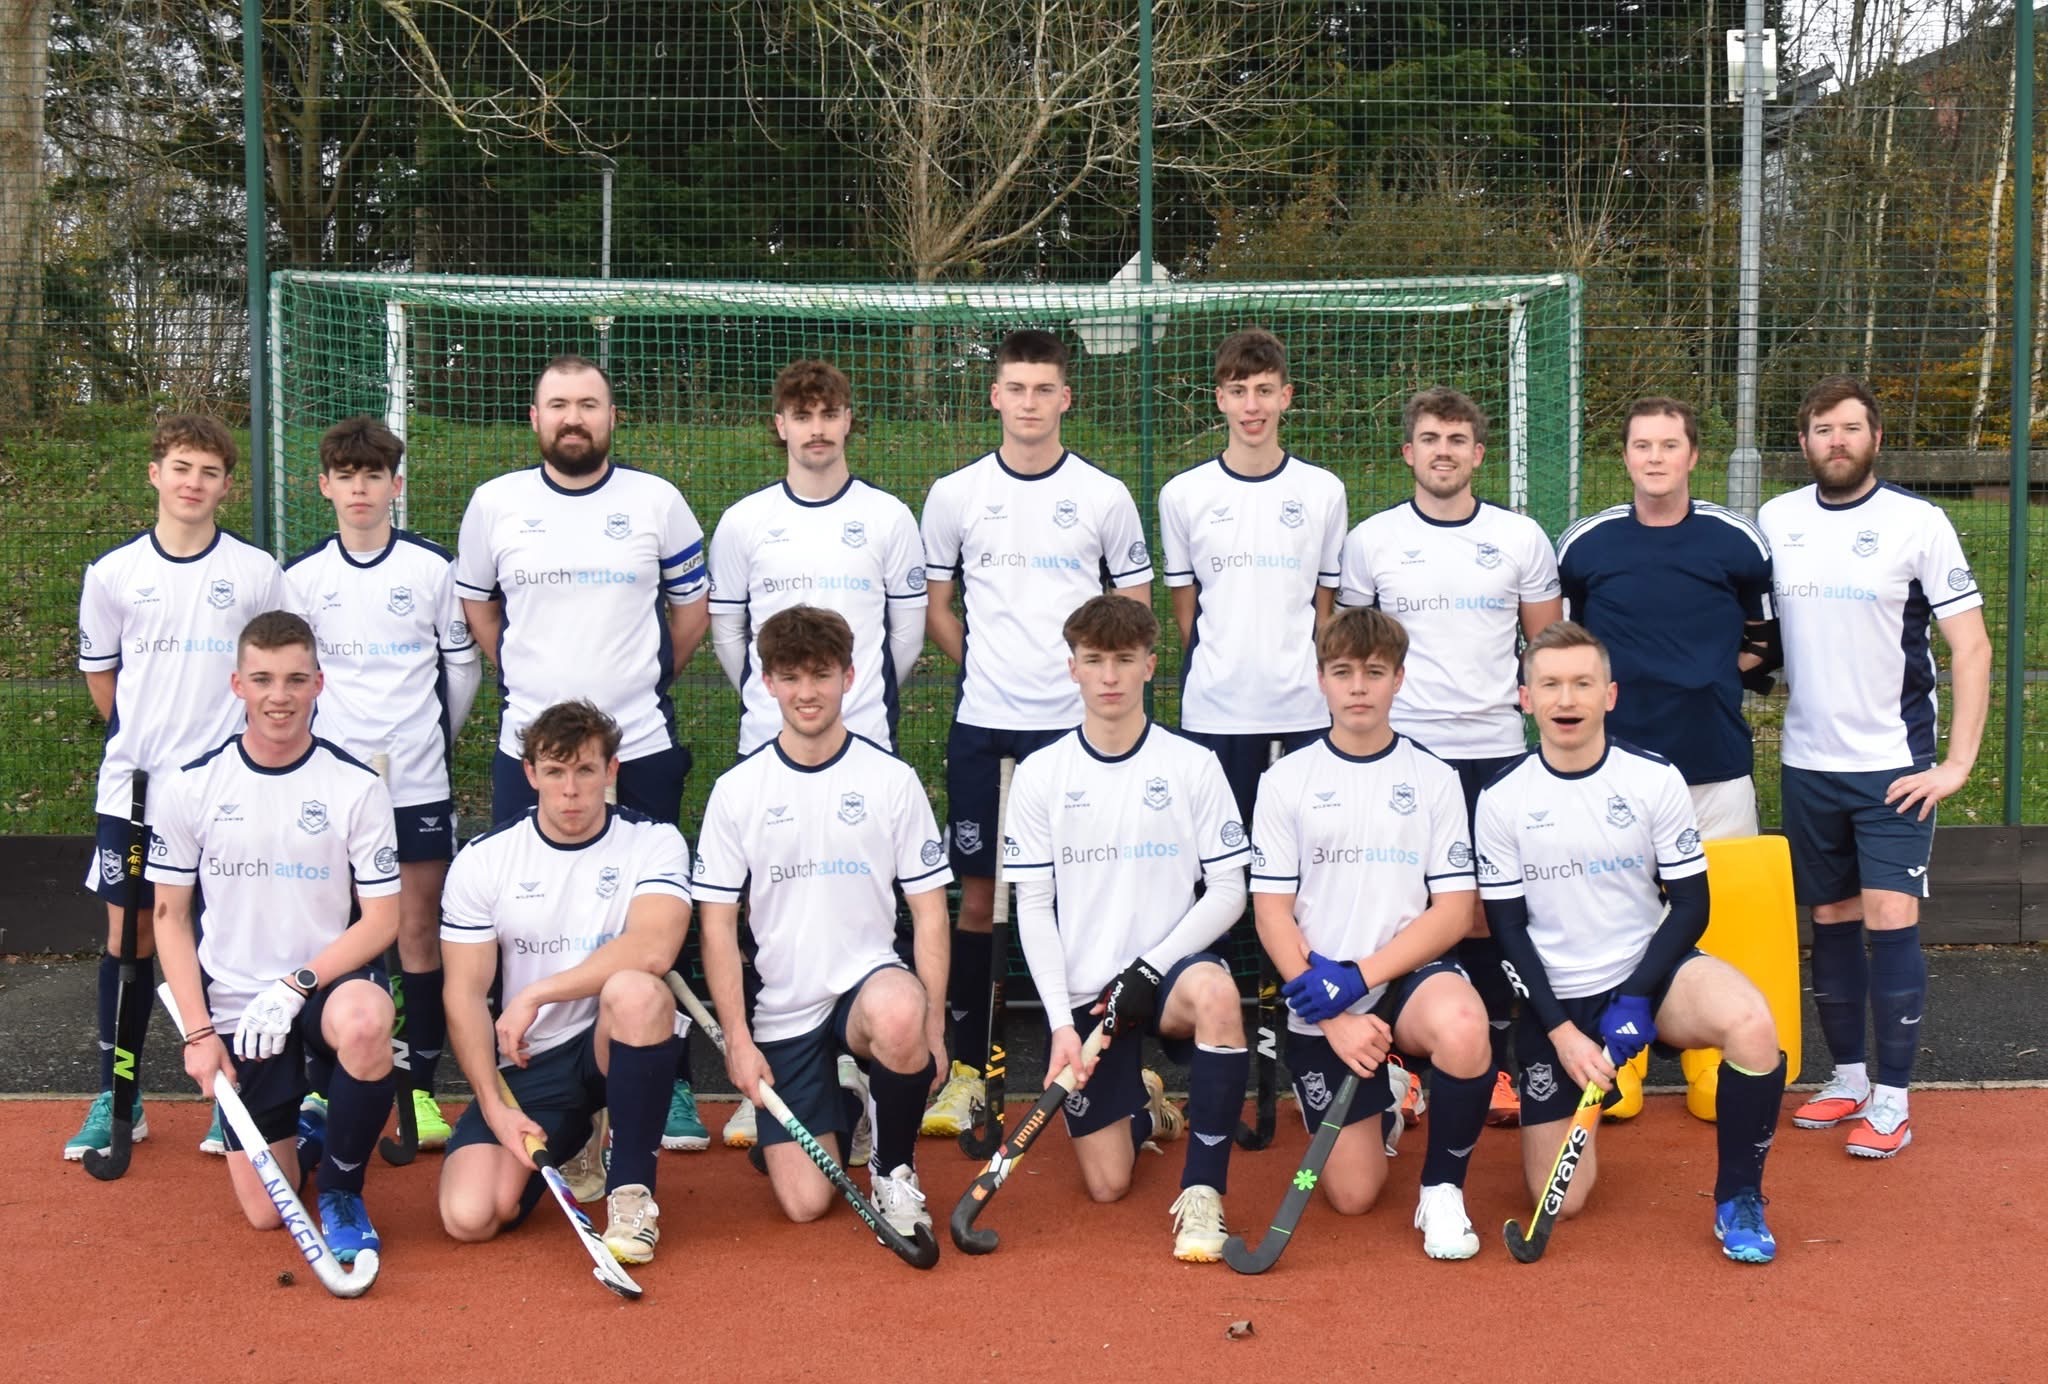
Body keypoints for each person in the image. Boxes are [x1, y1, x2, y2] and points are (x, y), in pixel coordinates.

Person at [455, 353, 714, 1152]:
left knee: (652, 922)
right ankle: (529, 1076)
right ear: (536, 418)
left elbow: (692, 612)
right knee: (530, 918)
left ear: (612, 417)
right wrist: (543, 710)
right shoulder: (495, 504)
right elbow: (478, 609)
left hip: (642, 747)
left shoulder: (657, 501)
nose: (575, 418)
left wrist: (634, 694)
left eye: (590, 404)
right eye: (559, 404)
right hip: (528, 752)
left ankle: (666, 1079)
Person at [1475, 621, 1786, 1264]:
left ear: (1609, 695)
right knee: (1564, 1199)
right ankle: (1584, 1091)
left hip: (1650, 974)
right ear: (1526, 699)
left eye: (1582, 683)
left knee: (1753, 1024)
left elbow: (1692, 904)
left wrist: (1637, 994)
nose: (1567, 699)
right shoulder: (1501, 797)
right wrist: (1563, 1031)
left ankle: (1739, 1199)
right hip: (1557, 998)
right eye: (1550, 685)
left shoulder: (1653, 778)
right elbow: (1506, 930)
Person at [917, 329, 1153, 1137]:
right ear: (995, 396)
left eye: (1043, 388)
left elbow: (1134, 613)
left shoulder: (1103, 495)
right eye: (1015, 388)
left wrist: (1082, 681)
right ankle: (967, 1071)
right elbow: (937, 608)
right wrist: (988, 664)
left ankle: (1120, 1065)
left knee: (1086, 893)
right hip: (985, 727)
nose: (1029, 402)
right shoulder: (955, 494)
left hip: (1074, 734)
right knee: (981, 895)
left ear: (1065, 398)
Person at [1758, 375, 1991, 1159]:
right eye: (1824, 429)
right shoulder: (1777, 519)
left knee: (1891, 918)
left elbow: (1971, 647)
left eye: (1851, 428)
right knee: (1829, 920)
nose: (1838, 441)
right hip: (1807, 763)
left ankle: (1893, 1100)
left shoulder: (1918, 523)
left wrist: (1957, 764)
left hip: (1894, 766)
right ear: (1804, 442)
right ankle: (1849, 1077)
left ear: (1876, 438)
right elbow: (1761, 636)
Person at [705, 360, 928, 1148]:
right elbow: (729, 633)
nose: (817, 429)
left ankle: (869, 1067)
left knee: (865, 906)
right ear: (781, 426)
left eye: (829, 413)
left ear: (848, 419)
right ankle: (768, 1070)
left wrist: (847, 705)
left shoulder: (888, 517)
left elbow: (904, 635)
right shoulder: (744, 522)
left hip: (862, 743)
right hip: (768, 746)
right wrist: (783, 703)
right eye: (802, 416)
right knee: (764, 909)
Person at [1337, 387, 1562, 1126]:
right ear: (1409, 452)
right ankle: (1404, 1061)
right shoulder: (1372, 540)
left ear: (1478, 454)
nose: (1444, 451)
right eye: (1431, 438)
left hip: (1494, 749)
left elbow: (1547, 646)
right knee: (1411, 905)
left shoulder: (1520, 537)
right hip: (1403, 752)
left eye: (1457, 439)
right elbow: (1355, 651)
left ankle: (1491, 1061)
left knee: (1491, 909)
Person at [147, 611, 401, 1264]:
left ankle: (342, 1191)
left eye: (294, 679)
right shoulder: (190, 786)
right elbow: (169, 918)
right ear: (238, 684)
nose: (278, 696)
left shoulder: (356, 786)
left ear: (319, 683)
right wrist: (199, 1035)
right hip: (238, 1007)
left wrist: (296, 985)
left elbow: (382, 920)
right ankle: (314, 1127)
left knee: (368, 1021)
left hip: (324, 987)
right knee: (268, 1211)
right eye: (262, 679)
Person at [1006, 595, 1251, 1263]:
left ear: (1149, 664)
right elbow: (1035, 907)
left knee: (1219, 995)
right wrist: (1060, 1024)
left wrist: (1148, 968)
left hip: (1171, 978)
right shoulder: (1041, 775)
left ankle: (1204, 1192)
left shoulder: (1193, 764)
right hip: (1092, 999)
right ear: (1073, 668)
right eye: (1094, 660)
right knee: (1108, 1184)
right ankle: (1145, 1106)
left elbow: (1229, 890)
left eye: (1123, 659)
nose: (1109, 676)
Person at [67, 414, 287, 1161]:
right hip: (133, 792)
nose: (194, 483)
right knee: (128, 937)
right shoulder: (113, 573)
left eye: (210, 472)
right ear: (155, 473)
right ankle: (118, 1096)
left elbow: (275, 671)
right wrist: (145, 744)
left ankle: (234, 1097)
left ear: (227, 486)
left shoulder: (256, 572)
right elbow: (104, 678)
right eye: (182, 467)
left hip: (228, 794)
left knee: (223, 940)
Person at [693, 606, 952, 1238]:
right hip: (785, 1010)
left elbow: (929, 912)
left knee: (899, 1011)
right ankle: (848, 1101)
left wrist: (934, 1027)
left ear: (849, 677)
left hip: (867, 983)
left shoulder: (891, 781)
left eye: (821, 675)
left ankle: (893, 1171)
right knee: (806, 1203)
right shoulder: (738, 790)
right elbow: (718, 927)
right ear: (767, 682)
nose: (806, 692)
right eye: (790, 677)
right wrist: (738, 1040)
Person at [1249, 607, 1491, 1259]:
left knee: (1464, 1026)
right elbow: (1271, 912)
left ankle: (1442, 1191)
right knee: (1354, 1195)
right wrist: (1331, 1015)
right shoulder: (1286, 781)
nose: (1359, 687)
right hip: (1320, 995)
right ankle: (1390, 1092)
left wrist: (1361, 978)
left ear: (1399, 679)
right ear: (1321, 679)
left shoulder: (1434, 779)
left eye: (1375, 672)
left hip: (1405, 981)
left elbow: (1454, 910)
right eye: (1343, 672)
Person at [435, 700, 691, 1265]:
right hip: (532, 1062)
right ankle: (578, 1133)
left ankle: (631, 1194)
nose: (570, 790)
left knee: (638, 991)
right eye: (554, 771)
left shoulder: (653, 841)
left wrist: (536, 993)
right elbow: (464, 994)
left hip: (610, 1040)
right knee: (470, 1216)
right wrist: (493, 1106)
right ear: (530, 774)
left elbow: (653, 947)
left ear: (611, 770)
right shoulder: (484, 859)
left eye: (585, 770)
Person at [285, 416, 482, 1150]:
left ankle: (418, 1091)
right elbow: (295, 679)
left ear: (395, 486)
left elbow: (461, 669)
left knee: (416, 930)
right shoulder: (301, 577)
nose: (360, 489)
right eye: (346, 477)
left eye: (374, 476)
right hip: (333, 789)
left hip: (416, 782)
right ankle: (326, 1084)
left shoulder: (432, 568)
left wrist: (431, 740)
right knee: (339, 931)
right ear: (325, 486)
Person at [1555, 397, 1778, 839]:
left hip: (1717, 770)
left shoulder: (1738, 541)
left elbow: (1764, 641)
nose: (1655, 457)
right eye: (1642, 446)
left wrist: (1707, 679)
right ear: (1625, 457)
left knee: (1725, 887)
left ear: (1692, 456)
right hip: (1610, 768)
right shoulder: (1584, 545)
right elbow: (1566, 649)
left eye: (1669, 445)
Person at [1158, 328, 1347, 815]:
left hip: (1304, 708)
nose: (1251, 406)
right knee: (1221, 850)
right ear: (1220, 399)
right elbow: (1187, 614)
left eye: (1264, 390)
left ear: (1285, 396)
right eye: (1238, 391)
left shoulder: (1324, 491)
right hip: (1216, 710)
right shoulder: (1182, 494)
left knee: (1308, 849)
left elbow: (1324, 610)